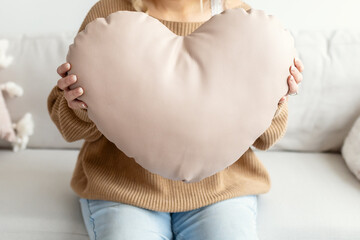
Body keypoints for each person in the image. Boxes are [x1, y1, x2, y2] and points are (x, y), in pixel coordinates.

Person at [47, 0, 304, 239]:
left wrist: (276, 100)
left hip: (220, 193)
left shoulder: (245, 23)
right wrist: (78, 104)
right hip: (123, 190)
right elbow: (67, 127)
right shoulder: (109, 14)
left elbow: (267, 138)